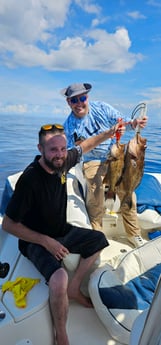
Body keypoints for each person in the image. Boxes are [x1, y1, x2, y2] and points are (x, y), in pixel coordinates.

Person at [2, 123, 119, 345]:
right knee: (59, 279)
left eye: (63, 149)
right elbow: (8, 225)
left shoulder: (63, 162)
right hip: (34, 240)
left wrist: (109, 133)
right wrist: (46, 242)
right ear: (40, 149)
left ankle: (75, 288)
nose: (59, 155)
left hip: (61, 230)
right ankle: (61, 333)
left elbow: (86, 145)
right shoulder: (29, 180)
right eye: (53, 150)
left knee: (100, 240)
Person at [61, 82, 148, 248]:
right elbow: (75, 153)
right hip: (91, 161)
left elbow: (124, 123)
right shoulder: (69, 126)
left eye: (82, 98)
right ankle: (97, 234)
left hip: (115, 155)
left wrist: (135, 123)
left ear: (88, 97)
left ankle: (134, 234)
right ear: (68, 103)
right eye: (74, 100)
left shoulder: (102, 108)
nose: (79, 103)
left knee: (128, 192)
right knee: (96, 193)